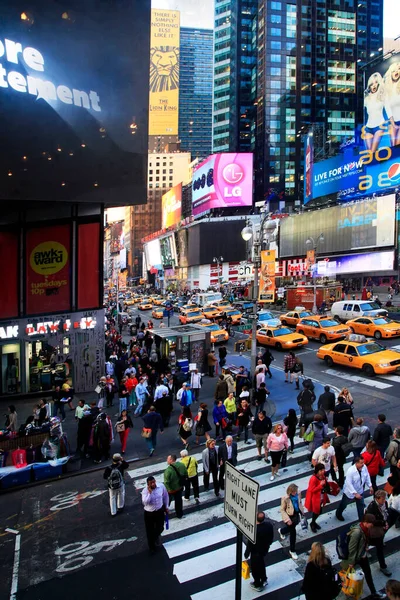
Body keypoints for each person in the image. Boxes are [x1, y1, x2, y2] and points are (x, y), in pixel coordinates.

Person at [341, 513, 386, 599]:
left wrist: (365, 547)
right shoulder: (357, 532)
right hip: (354, 558)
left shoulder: (365, 528)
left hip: (362, 556)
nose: (372, 525)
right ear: (365, 522)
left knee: (368, 573)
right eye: (371, 523)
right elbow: (352, 549)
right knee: (346, 575)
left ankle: (373, 592)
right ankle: (347, 592)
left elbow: (364, 540)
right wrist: (351, 562)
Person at [336, 456, 374, 522]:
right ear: (356, 463)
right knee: (344, 504)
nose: (363, 464)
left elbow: (367, 476)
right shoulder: (350, 471)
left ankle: (361, 520)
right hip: (350, 492)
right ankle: (338, 513)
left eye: (363, 462)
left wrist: (370, 486)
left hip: (360, 490)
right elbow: (349, 483)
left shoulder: (364, 467)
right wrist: (355, 493)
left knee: (361, 506)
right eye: (361, 463)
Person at [244, 512, 274, 592]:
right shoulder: (269, 525)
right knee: (261, 564)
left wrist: (246, 554)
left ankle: (257, 584)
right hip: (264, 549)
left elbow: (250, 544)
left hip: (255, 552)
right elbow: (271, 536)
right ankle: (264, 579)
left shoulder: (254, 530)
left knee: (255, 568)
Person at [365, 490, 393, 576]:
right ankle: (383, 567)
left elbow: (386, 513)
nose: (384, 500)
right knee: (376, 546)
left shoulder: (385, 504)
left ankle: (382, 566)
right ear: (377, 499)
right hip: (374, 531)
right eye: (383, 499)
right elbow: (371, 521)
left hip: (381, 529)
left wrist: (386, 522)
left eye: (385, 498)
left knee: (378, 546)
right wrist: (383, 523)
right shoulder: (371, 508)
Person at [141, 475, 169, 555]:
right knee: (149, 530)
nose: (153, 484)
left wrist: (166, 506)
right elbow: (145, 503)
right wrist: (150, 493)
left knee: (160, 527)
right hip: (149, 513)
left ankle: (154, 537)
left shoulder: (161, 487)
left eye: (154, 482)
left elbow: (165, 496)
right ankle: (152, 547)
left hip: (159, 511)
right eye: (151, 483)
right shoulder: (145, 491)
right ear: (148, 484)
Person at [278, 483, 304, 560]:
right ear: (289, 491)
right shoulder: (285, 498)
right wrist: (287, 519)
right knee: (293, 532)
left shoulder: (298, 494)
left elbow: (299, 502)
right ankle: (292, 550)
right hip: (290, 516)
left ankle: (282, 531)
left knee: (291, 528)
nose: (295, 493)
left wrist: (302, 511)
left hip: (296, 514)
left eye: (295, 491)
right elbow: (282, 509)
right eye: (293, 492)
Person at [304, 463, 329, 533]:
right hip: (315, 499)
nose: (323, 471)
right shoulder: (313, 479)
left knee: (319, 511)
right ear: (317, 471)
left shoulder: (322, 476)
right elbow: (312, 490)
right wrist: (320, 485)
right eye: (321, 470)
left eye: (323, 470)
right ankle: (312, 523)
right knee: (316, 511)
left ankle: (313, 522)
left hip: (321, 497)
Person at [164, 454, 188, 519]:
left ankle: (164, 513)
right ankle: (179, 514)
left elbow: (166, 482)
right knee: (178, 502)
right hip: (179, 487)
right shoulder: (182, 465)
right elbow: (186, 474)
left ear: (171, 460)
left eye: (168, 459)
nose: (167, 460)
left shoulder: (168, 470)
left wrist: (169, 490)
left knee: (167, 502)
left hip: (171, 490)